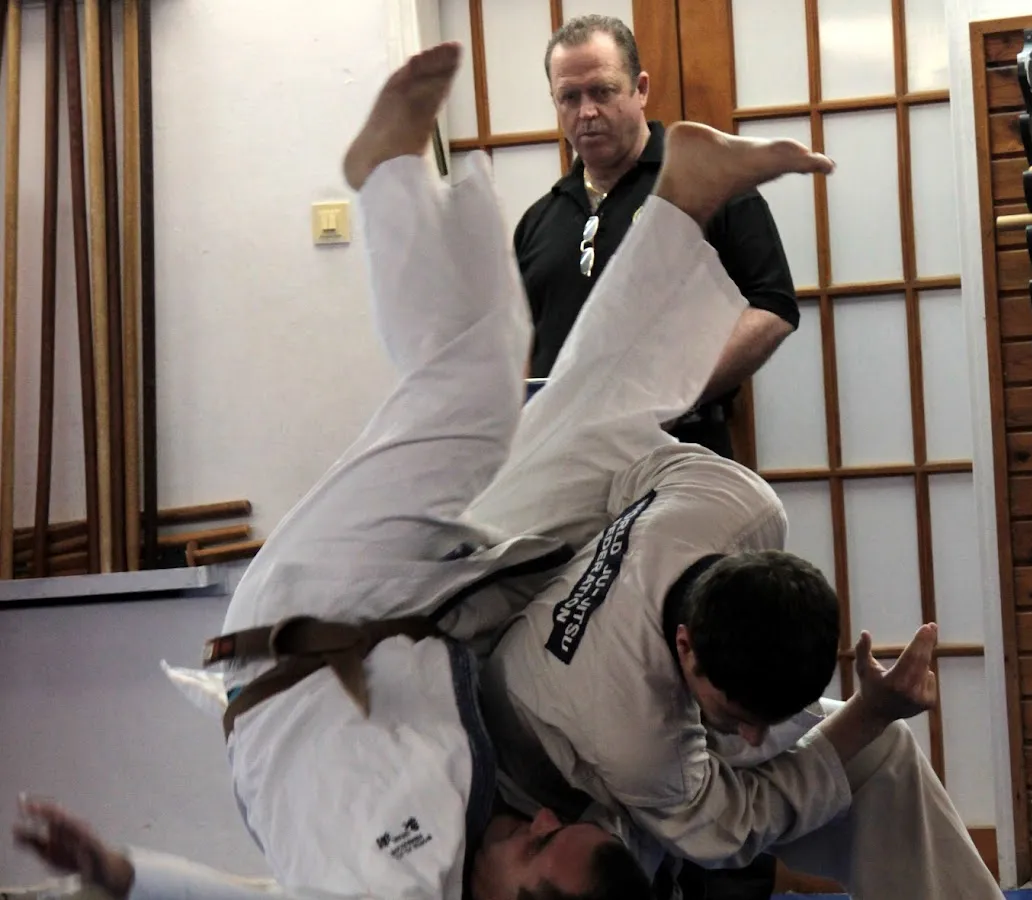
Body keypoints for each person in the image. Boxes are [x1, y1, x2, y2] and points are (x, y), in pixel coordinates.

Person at [12, 41, 839, 900]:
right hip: (399, 607)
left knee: (473, 395)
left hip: (301, 626)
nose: (542, 820)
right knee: (566, 403)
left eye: (538, 848)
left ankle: (387, 175)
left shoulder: (400, 889)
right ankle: (685, 195)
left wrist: (125, 875)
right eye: (557, 828)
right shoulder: (552, 833)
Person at [478, 470, 1008, 897]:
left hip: (624, 705)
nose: (755, 737)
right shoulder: (641, 743)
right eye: (740, 717)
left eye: (769, 717)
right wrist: (868, 712)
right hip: (565, 796)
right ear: (687, 647)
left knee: (880, 751)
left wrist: (872, 719)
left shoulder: (736, 503)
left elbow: (625, 468)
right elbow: (733, 830)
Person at [516, 14, 803, 461]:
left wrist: (669, 399)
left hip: (681, 454)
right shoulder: (539, 220)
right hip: (565, 465)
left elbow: (773, 307)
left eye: (603, 91)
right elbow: (523, 343)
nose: (586, 112)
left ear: (641, 89)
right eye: (569, 97)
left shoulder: (705, 184)